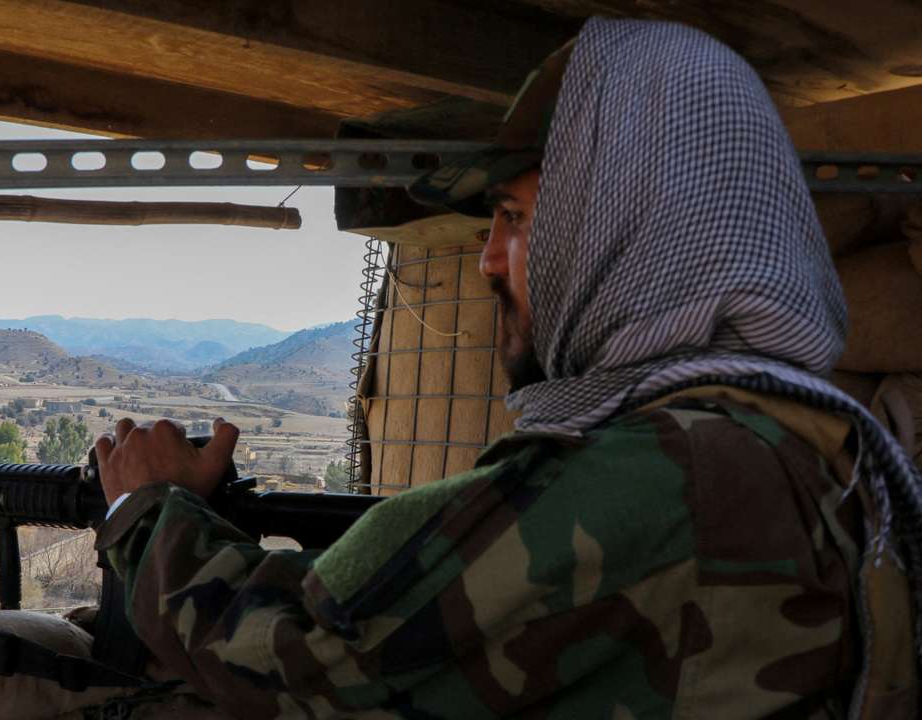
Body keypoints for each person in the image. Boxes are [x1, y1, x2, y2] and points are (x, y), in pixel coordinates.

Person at [92, 18, 922, 718]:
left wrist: (150, 510)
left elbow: (307, 663)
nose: (488, 258)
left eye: (519, 218)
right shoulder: (809, 444)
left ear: (639, 231)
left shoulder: (671, 476)